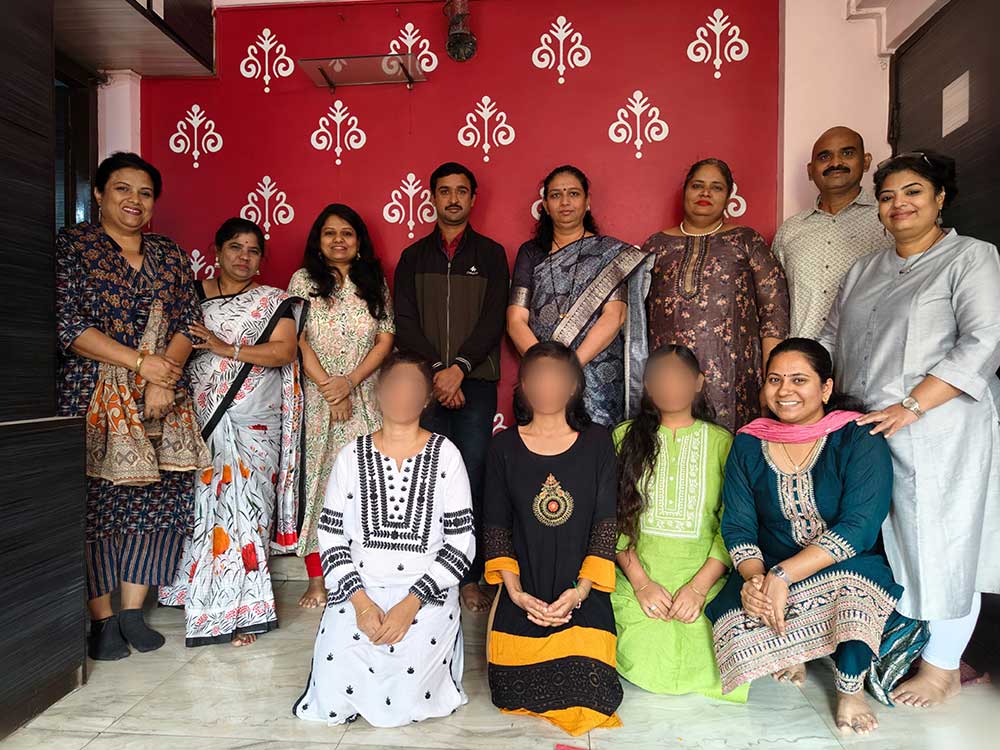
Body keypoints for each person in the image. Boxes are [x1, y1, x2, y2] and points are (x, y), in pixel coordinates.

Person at [819, 151, 1000, 707]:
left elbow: (984, 339)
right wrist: (806, 390)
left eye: (913, 192)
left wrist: (914, 406)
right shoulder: (863, 270)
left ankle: (942, 666)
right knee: (880, 541)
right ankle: (892, 647)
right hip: (867, 429)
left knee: (943, 544)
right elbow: (829, 337)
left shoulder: (970, 258)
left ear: (940, 198)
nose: (899, 204)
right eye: (888, 196)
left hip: (940, 427)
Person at [705, 338, 918, 736]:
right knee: (735, 618)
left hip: (846, 564)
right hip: (769, 562)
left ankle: (850, 690)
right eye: (774, 379)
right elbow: (738, 524)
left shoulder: (857, 436)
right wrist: (755, 579)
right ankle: (793, 649)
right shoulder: (749, 442)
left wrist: (782, 577)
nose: (784, 390)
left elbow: (860, 526)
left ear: (825, 388)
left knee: (853, 595)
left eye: (799, 379)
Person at [56, 151, 206, 660]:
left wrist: (164, 376)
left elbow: (188, 320)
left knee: (157, 500)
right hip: (93, 393)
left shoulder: (169, 253)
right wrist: (142, 364)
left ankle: (132, 612)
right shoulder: (73, 246)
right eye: (122, 189)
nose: (134, 201)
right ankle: (102, 619)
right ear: (99, 194)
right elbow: (69, 326)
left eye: (144, 193)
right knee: (97, 505)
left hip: (162, 396)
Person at [293, 351, 475, 727]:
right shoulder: (350, 456)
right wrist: (361, 605)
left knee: (408, 697)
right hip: (359, 588)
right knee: (332, 693)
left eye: (413, 388)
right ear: (378, 393)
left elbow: (461, 543)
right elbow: (330, 536)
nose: (402, 396)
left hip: (426, 592)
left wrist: (410, 604)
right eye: (395, 387)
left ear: (426, 398)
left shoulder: (446, 455)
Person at [157, 218, 305, 646]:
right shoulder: (190, 296)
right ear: (217, 251)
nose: (244, 256)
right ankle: (197, 593)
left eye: (253, 250)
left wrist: (225, 347)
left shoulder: (272, 302)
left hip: (254, 424)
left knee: (248, 512)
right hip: (198, 418)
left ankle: (244, 607)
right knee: (199, 509)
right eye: (236, 247)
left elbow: (284, 352)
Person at [484, 341, 623, 735]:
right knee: (509, 692)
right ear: (524, 386)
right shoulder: (503, 446)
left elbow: (605, 524)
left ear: (574, 385)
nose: (547, 387)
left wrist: (580, 592)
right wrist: (516, 594)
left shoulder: (598, 441)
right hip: (524, 593)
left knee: (594, 695)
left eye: (557, 378)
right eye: (538, 378)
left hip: (581, 593)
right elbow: (495, 526)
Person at [393, 162, 509, 613]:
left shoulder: (492, 254)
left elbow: (494, 318)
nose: (454, 198)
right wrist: (439, 372)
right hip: (425, 385)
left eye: (462, 191)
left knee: (473, 477)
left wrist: (458, 369)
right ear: (433, 197)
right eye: (445, 191)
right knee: (425, 478)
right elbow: (405, 321)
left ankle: (469, 578)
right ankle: (424, 571)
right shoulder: (412, 257)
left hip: (474, 384)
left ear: (473, 198)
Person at [611, 344, 748, 702]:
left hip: (705, 577)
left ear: (699, 382)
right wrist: (641, 584)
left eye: (679, 378)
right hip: (636, 575)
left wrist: (698, 589)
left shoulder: (723, 443)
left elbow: (732, 522)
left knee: (713, 648)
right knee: (638, 647)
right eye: (660, 378)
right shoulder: (623, 437)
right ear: (648, 386)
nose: (670, 386)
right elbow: (611, 517)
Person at [628, 158, 789, 431]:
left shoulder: (746, 240)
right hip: (668, 379)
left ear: (728, 196)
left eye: (716, 187)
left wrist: (772, 380)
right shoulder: (656, 245)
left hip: (734, 380)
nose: (705, 193)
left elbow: (774, 313)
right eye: (697, 186)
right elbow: (636, 319)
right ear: (685, 191)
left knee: (729, 446)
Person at [288, 205, 394, 608]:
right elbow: (297, 339)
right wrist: (330, 389)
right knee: (319, 484)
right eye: (329, 233)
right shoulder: (303, 280)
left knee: (367, 486)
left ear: (359, 240)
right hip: (318, 402)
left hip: (365, 397)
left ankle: (367, 573)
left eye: (347, 233)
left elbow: (385, 338)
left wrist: (349, 383)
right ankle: (317, 579)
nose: (338, 240)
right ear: (318, 241)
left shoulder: (373, 281)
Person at [507, 165, 648, 428]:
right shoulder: (531, 253)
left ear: (587, 201)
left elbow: (615, 316)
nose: (565, 202)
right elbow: (516, 320)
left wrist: (571, 367)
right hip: (543, 377)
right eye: (556, 195)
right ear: (545, 205)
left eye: (573, 194)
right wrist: (546, 369)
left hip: (598, 372)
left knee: (598, 444)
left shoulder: (608, 254)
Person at [772, 126, 893, 338]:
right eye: (824, 157)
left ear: (866, 161)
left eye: (847, 153)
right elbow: (774, 305)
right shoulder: (789, 230)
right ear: (810, 171)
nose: (836, 163)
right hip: (803, 355)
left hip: (866, 352)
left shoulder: (890, 219)